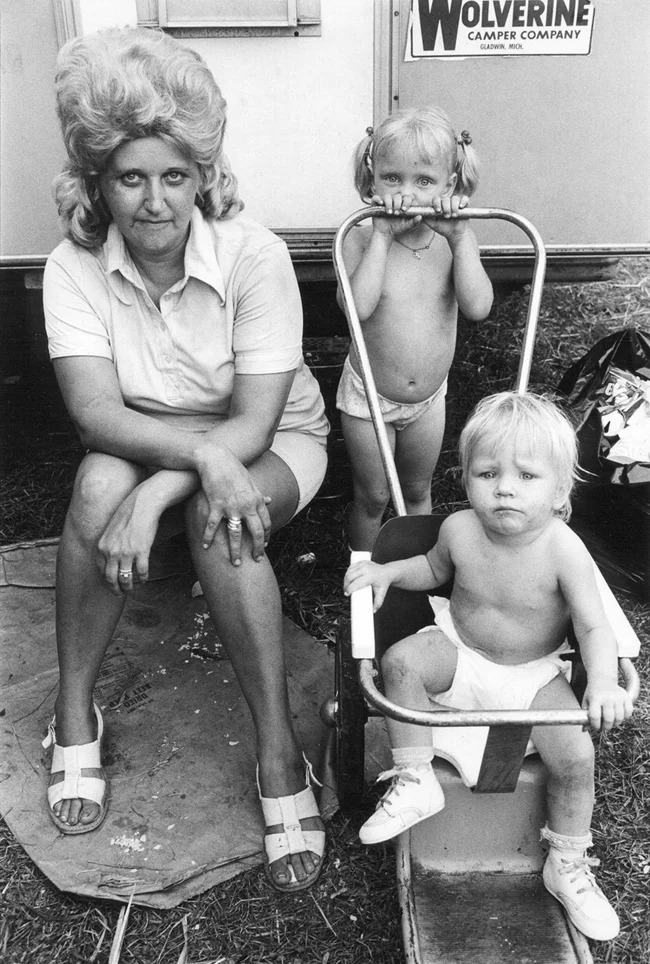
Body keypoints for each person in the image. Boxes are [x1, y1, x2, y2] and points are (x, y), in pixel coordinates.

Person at [41, 26, 330, 893]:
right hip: (140, 436)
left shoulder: (256, 255)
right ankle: (73, 712)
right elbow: (95, 414)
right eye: (130, 177)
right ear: (97, 182)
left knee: (218, 511)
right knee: (98, 487)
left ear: (204, 175)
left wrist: (168, 486)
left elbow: (257, 422)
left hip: (270, 442)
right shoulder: (71, 266)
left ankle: (278, 750)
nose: (155, 201)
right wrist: (176, 467)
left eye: (174, 175)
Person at [343, 392, 634, 941]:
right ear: (466, 478)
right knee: (401, 661)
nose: (504, 488)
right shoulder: (460, 529)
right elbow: (431, 568)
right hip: (462, 652)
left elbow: (594, 627)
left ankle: (567, 860)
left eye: (527, 476)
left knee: (576, 758)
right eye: (487, 473)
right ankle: (415, 776)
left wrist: (601, 682)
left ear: (560, 492)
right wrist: (389, 573)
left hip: (531, 673)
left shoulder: (564, 550)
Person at [336, 107, 493, 551]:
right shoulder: (360, 236)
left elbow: (478, 307)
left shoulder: (454, 239)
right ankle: (364, 576)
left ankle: (418, 569)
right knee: (373, 496)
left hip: (428, 400)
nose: (406, 193)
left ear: (449, 185)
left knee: (417, 490)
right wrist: (382, 238)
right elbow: (356, 308)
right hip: (369, 395)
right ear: (372, 178)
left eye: (424, 181)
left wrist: (460, 239)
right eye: (393, 178)